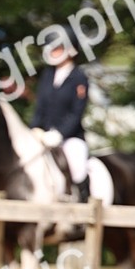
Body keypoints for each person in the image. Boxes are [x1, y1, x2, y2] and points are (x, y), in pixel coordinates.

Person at [30, 39, 90, 201]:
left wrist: (60, 133)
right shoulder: (47, 75)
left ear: (70, 50)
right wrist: (35, 128)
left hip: (70, 137)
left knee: (77, 166)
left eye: (58, 48)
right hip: (44, 135)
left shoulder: (79, 77)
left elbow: (76, 112)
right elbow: (40, 106)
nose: (53, 51)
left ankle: (82, 203)